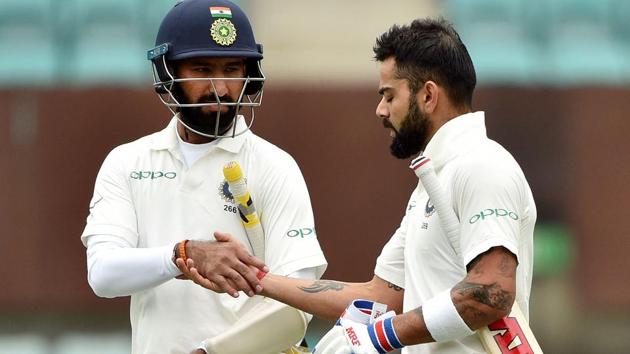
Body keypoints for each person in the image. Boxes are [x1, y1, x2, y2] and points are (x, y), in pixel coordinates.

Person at [180, 18, 537, 354]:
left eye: (389, 95)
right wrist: (256, 279)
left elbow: (490, 292)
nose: (381, 110)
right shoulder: (433, 182)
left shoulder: (482, 166)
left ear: (428, 96)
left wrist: (378, 336)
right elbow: (381, 295)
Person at [81, 0, 327, 353]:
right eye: (201, 69)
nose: (221, 88)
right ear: (168, 74)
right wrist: (183, 255)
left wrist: (213, 351)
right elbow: (104, 274)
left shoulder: (276, 166)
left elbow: (298, 301)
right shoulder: (128, 162)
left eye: (231, 69)